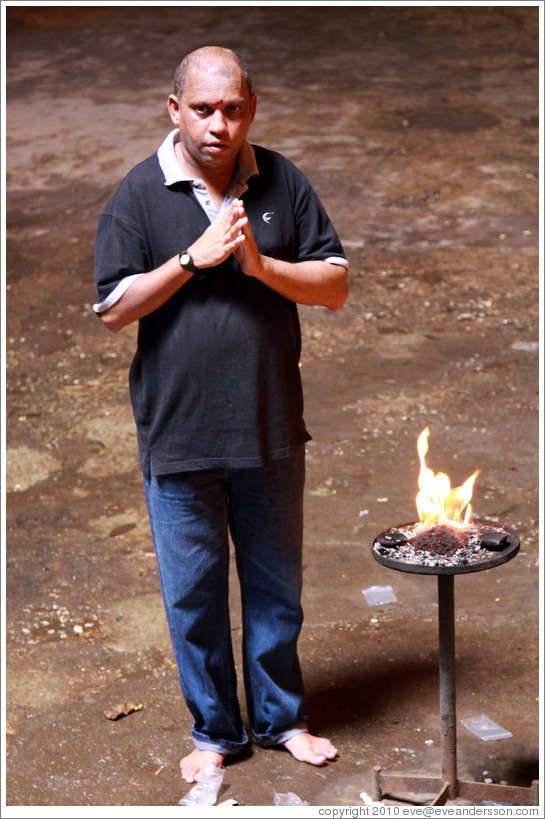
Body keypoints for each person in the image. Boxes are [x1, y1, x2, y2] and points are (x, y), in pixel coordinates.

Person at [93, 46, 349, 783]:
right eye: (202, 109)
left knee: (275, 587)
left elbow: (333, 284)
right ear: (173, 109)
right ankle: (215, 731)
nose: (218, 124)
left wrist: (261, 266)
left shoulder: (281, 182)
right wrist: (193, 258)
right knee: (193, 593)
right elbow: (112, 309)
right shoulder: (138, 195)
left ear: (251, 108)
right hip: (178, 435)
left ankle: (280, 719)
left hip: (269, 427)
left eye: (232, 108)